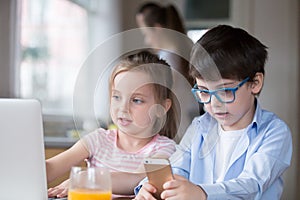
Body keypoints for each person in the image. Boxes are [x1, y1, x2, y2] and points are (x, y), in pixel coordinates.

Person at [134, 25, 293, 200]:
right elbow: (177, 168)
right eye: (203, 91)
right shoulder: (200, 126)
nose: (214, 104)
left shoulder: (274, 132)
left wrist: (202, 193)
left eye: (225, 91)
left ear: (255, 83)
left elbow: (252, 185)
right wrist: (148, 187)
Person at [46, 50, 179, 198]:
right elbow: (51, 168)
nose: (123, 108)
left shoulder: (165, 149)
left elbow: (139, 178)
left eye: (136, 100)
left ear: (162, 108)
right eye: (117, 97)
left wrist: (85, 179)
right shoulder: (97, 140)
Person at [136, 2, 203, 141]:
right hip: (184, 131)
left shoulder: (168, 59)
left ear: (157, 29)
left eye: (146, 34)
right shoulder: (179, 55)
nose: (147, 41)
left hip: (176, 134)